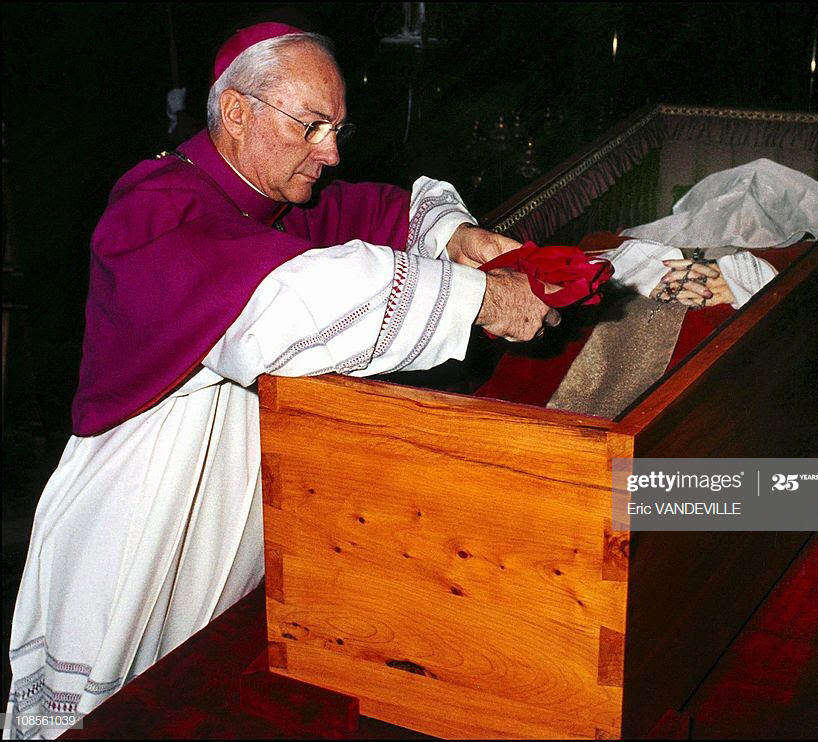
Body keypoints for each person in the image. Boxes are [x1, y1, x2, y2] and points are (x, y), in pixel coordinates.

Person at [4, 22, 558, 739]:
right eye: (311, 126)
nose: (329, 152)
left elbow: (391, 209)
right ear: (237, 112)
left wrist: (458, 238)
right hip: (138, 523)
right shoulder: (153, 206)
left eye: (337, 128)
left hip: (223, 535)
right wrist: (477, 298)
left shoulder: (276, 199)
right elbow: (279, 305)